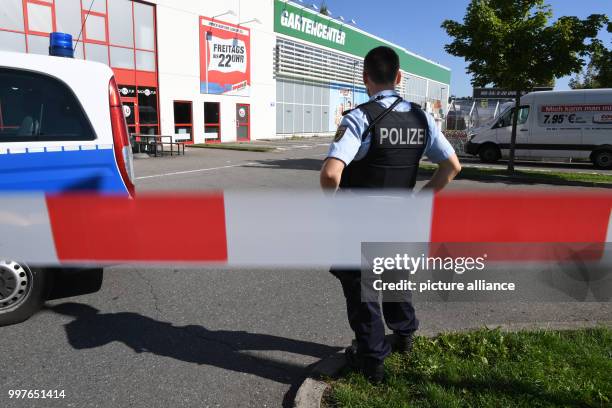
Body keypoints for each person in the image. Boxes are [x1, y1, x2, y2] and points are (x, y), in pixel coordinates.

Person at [319, 46, 461, 383]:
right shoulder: (421, 118)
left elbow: (329, 174)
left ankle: (372, 361)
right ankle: (405, 336)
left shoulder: (359, 118)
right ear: (399, 78)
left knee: (361, 289)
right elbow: (452, 167)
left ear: (365, 77)